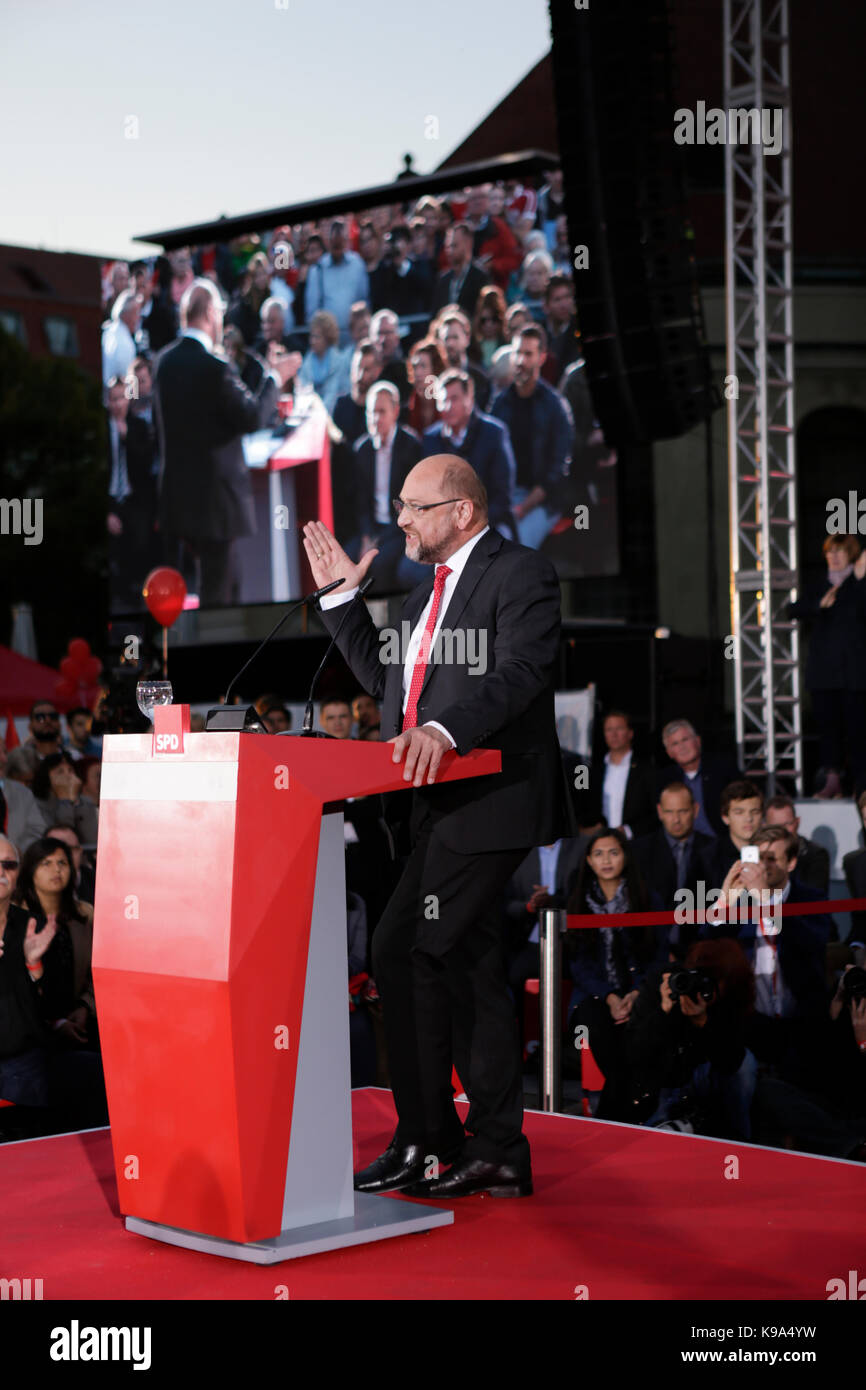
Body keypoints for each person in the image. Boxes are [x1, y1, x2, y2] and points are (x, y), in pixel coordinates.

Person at [302, 453, 573, 1199]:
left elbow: (522, 672)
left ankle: (429, 1138)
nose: (400, 522)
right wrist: (339, 601)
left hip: (490, 801)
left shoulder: (519, 572)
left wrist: (447, 730)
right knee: (473, 968)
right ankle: (494, 1149)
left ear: (460, 510)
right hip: (433, 802)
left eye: (413, 508)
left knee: (403, 950)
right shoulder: (433, 595)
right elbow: (391, 687)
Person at [153, 278, 294, 606]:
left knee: (224, 585)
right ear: (211, 313)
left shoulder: (163, 363)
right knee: (218, 599)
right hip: (214, 504)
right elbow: (253, 418)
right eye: (219, 313)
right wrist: (275, 377)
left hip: (178, 500)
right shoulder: (215, 368)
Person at [703, 826, 833, 1090]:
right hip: (750, 1023)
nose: (763, 865)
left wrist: (766, 901)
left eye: (772, 858)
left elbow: (812, 943)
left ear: (792, 862)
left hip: (800, 1023)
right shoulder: (740, 902)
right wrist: (724, 902)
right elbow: (705, 948)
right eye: (758, 857)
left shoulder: (811, 898)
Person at [0, 836, 106, 1135]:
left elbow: (46, 1001)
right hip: (12, 1063)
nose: (2, 872)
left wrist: (34, 967)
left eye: (8, 865)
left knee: (100, 1074)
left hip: (35, 1052)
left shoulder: (30, 924)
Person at [565, 829, 662, 1117]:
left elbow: (658, 954)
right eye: (598, 854)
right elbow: (578, 964)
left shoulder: (646, 897)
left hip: (640, 991)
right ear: (589, 861)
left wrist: (636, 992)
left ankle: (611, 1119)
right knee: (601, 1032)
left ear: (625, 857)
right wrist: (609, 997)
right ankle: (628, 1112)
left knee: (643, 1034)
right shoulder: (578, 901)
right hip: (594, 995)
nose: (606, 860)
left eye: (614, 852)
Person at [619, 939, 758, 1140]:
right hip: (662, 1079)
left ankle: (739, 1141)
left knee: (746, 1064)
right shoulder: (668, 982)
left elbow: (731, 1062)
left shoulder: (732, 995)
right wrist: (664, 1011)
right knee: (660, 1139)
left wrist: (703, 1022)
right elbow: (633, 1053)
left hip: (708, 1075)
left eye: (712, 982)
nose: (700, 986)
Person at [788, 534, 866, 797]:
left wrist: (855, 579)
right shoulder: (818, 585)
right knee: (828, 731)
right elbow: (792, 609)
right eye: (829, 552)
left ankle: (860, 785)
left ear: (851, 555)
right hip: (824, 674)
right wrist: (819, 605)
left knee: (857, 731)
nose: (833, 557)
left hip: (855, 675)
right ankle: (832, 780)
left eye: (840, 552)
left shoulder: (859, 585)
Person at [13, 837, 100, 1053]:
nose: (56, 870)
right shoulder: (15, 915)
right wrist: (56, 1024)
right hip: (30, 1030)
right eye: (46, 863)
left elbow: (96, 968)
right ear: (30, 870)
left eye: (62, 863)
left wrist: (84, 1007)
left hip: (80, 1021)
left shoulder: (84, 914)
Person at [488, 325, 573, 549]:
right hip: (505, 497)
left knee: (515, 549)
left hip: (542, 501)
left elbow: (556, 471)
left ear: (541, 357)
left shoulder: (555, 407)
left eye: (528, 354)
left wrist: (523, 508)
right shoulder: (500, 403)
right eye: (517, 353)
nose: (521, 361)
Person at [420, 370, 516, 539]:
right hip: (444, 529)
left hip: (488, 524)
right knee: (410, 565)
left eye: (454, 399)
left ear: (469, 399)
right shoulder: (431, 439)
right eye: (443, 401)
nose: (448, 407)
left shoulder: (494, 434)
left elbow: (502, 497)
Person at [348, 381, 424, 589]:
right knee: (345, 558)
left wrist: (377, 541)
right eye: (371, 412)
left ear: (396, 411)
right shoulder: (362, 449)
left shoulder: (410, 446)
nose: (375, 419)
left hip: (399, 529)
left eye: (382, 412)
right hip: (372, 528)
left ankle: (384, 618)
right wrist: (366, 537)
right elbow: (360, 501)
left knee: (379, 564)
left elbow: (410, 504)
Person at [632, 782, 717, 957]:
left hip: (703, 949)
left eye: (683, 811)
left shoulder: (714, 849)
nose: (676, 819)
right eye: (669, 812)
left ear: (695, 810)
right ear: (659, 811)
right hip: (652, 952)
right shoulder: (640, 851)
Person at [656, 718, 742, 838]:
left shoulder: (723, 768)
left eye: (685, 740)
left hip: (721, 842)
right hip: (682, 847)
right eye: (675, 744)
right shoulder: (664, 779)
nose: (682, 747)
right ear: (669, 752)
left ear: (698, 741)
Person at [582, 709, 658, 839]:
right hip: (600, 843)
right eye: (609, 729)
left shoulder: (647, 770)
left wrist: (628, 831)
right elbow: (582, 806)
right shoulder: (591, 772)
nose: (614, 734)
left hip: (635, 844)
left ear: (630, 733)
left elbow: (657, 812)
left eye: (619, 728)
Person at [302, 219, 369, 344]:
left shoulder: (357, 264)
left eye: (340, 243)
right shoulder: (318, 269)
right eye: (334, 244)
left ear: (346, 241)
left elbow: (364, 301)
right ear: (328, 242)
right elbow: (312, 312)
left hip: (354, 340)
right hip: (328, 343)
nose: (337, 248)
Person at [763, 794, 830, 896]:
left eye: (787, 824)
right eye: (776, 826)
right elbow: (743, 904)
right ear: (764, 826)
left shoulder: (815, 855)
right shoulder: (757, 855)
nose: (783, 831)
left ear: (797, 822)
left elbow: (812, 899)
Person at [703, 780, 765, 889]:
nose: (748, 819)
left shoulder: (772, 854)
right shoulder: (708, 858)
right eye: (739, 812)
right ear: (725, 817)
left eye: (754, 812)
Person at [31, 752, 99, 848]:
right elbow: (62, 836)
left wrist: (75, 802)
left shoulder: (85, 802)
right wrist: (65, 801)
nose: (68, 776)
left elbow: (91, 839)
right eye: (60, 772)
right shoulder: (37, 804)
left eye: (70, 770)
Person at [434, 309, 491, 410]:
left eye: (455, 337)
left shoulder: (481, 378)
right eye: (446, 339)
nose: (450, 344)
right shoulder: (434, 378)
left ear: (467, 339)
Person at [430, 223, 489, 318]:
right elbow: (434, 313)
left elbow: (485, 313)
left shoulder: (481, 277)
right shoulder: (443, 279)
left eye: (454, 246)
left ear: (468, 244)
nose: (449, 251)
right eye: (447, 246)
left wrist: (461, 313)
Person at [296, 310, 348, 414]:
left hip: (332, 414)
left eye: (317, 337)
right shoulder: (308, 360)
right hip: (309, 414)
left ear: (327, 338)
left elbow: (332, 395)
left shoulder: (339, 362)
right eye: (312, 336)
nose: (313, 341)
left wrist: (319, 415)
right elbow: (302, 389)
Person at [0, 737, 46, 853]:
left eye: (5, 752)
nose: (4, 759)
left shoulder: (23, 793)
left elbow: (37, 831)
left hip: (16, 863)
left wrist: (16, 851)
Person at [405, 338, 445, 435]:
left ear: (435, 369)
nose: (417, 372)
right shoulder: (406, 411)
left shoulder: (446, 404)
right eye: (414, 367)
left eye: (423, 366)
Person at [101, 289, 142, 384]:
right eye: (136, 313)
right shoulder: (125, 344)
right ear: (126, 314)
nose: (138, 318)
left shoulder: (108, 331)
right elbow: (127, 383)